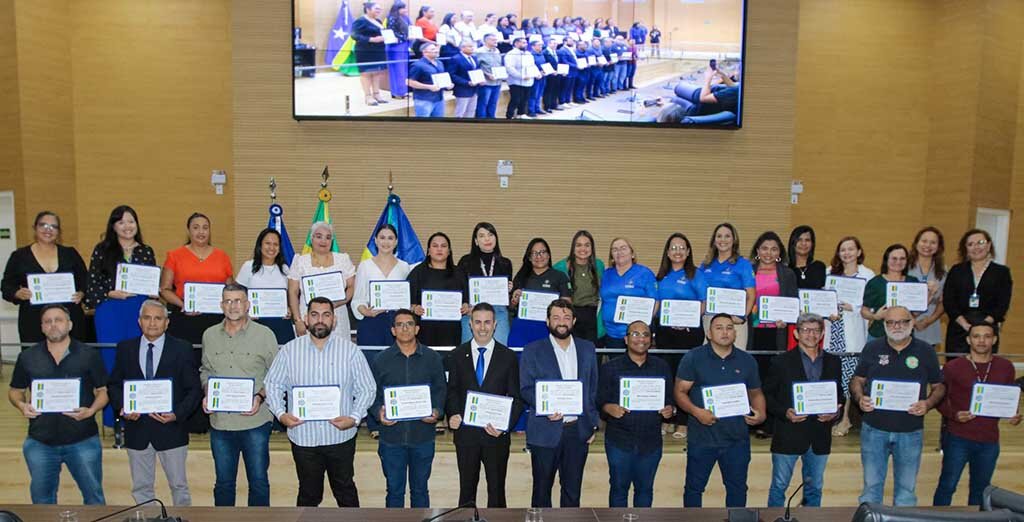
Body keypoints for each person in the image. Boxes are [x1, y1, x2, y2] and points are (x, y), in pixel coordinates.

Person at [265, 296, 376, 507]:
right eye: (314, 314)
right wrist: (281, 414)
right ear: (306, 319)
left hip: (340, 435)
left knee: (345, 492)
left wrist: (353, 418)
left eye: (326, 315)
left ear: (334, 320)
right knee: (308, 495)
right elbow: (272, 384)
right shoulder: (289, 350)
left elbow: (367, 388)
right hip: (303, 437)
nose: (320, 320)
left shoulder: (350, 351)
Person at [8, 304, 108, 504]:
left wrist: (92, 410)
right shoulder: (27, 357)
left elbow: (103, 391)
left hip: (83, 439)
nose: (53, 325)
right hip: (40, 442)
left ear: (70, 325)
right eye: (48, 321)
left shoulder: (89, 354)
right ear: (42, 327)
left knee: (94, 498)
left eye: (58, 320)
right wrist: (21, 405)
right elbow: (15, 391)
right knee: (42, 500)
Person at [108, 300, 202, 506]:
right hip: (137, 429)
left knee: (179, 486)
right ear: (139, 321)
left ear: (167, 323)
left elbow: (194, 390)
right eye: (147, 318)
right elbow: (114, 385)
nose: (152, 323)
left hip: (171, 430)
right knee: (142, 487)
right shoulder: (126, 348)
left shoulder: (182, 349)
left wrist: (177, 414)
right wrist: (124, 408)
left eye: (158, 318)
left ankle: (182, 520)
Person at [850, 306, 945, 506]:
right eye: (891, 322)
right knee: (871, 488)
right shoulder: (872, 348)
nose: (897, 326)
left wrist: (927, 403)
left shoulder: (926, 351)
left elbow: (939, 387)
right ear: (884, 325)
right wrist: (860, 398)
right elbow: (857, 380)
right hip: (874, 430)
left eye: (903, 321)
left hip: (910, 431)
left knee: (906, 492)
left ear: (912, 324)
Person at [674, 313, 766, 507]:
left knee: (738, 489)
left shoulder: (747, 360)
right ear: (709, 333)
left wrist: (761, 414)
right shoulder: (693, 358)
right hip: (702, 438)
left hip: (737, 439)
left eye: (729, 328)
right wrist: (697, 412)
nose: (725, 332)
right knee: (694, 489)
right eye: (719, 328)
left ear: (735, 333)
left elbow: (756, 393)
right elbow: (680, 392)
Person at [200, 284, 279, 506]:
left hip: (255, 422)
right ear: (221, 305)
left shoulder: (265, 335)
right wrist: (207, 392)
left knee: (259, 482)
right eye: (228, 301)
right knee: (224, 484)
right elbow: (205, 370)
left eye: (238, 301)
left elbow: (276, 376)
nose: (233, 306)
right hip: (221, 424)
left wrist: (260, 397)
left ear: (247, 305)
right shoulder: (209, 335)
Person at [520, 299, 599, 508]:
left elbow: (592, 388)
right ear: (547, 321)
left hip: (577, 431)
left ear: (573, 320)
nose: (561, 322)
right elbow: (526, 389)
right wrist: (545, 408)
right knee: (541, 493)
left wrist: (592, 424)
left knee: (572, 493)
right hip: (545, 430)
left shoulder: (588, 348)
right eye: (556, 317)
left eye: (566, 317)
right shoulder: (532, 350)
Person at [933, 322, 1020, 506]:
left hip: (989, 440)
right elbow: (938, 399)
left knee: (981, 490)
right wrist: (954, 414)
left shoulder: (1005, 367)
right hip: (958, 437)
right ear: (968, 339)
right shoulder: (953, 367)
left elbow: (1007, 397)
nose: (981, 341)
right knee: (947, 485)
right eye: (976, 336)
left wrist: (1012, 414)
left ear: (994, 339)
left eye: (987, 336)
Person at [445, 303, 523, 508]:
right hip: (466, 435)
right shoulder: (457, 355)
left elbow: (517, 397)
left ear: (495, 324)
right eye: (477, 322)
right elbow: (451, 390)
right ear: (470, 324)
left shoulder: (508, 357)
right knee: (467, 491)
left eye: (487, 322)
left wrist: (504, 426)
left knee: (497, 492)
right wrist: (452, 413)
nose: (482, 327)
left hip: (495, 436)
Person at [763, 313, 844, 507]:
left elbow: (839, 394)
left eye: (816, 330)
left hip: (820, 435)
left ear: (822, 333)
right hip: (788, 433)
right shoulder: (781, 361)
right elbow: (767, 395)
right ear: (797, 334)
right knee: (779, 485)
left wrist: (835, 412)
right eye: (806, 330)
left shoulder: (833, 361)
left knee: (815, 487)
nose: (811, 335)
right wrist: (785, 412)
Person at [372, 309, 447, 508]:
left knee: (420, 491)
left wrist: (437, 412)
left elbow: (441, 391)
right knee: (394, 491)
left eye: (409, 324)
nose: (404, 328)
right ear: (393, 330)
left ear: (417, 329)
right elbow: (372, 395)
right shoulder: (381, 360)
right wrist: (379, 411)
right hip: (391, 439)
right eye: (399, 324)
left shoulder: (432, 358)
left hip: (422, 437)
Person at [599, 321, 675, 507]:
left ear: (651, 339)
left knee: (645, 490)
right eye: (635, 334)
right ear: (626, 339)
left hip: (650, 441)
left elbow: (670, 400)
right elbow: (599, 400)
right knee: (618, 489)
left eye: (645, 334)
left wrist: (670, 409)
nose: (641, 339)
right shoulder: (610, 367)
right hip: (620, 440)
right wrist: (609, 408)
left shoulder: (662, 367)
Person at [2, 211, 88, 344]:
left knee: (73, 360)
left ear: (58, 231)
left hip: (69, 318)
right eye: (43, 225)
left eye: (53, 226)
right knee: (36, 362)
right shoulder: (19, 256)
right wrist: (17, 293)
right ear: (35, 228)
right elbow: (6, 285)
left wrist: (82, 293)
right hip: (33, 321)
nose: (48, 230)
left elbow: (86, 281)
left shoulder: (70, 254)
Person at [654, 233, 707, 439]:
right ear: (667, 252)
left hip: (689, 332)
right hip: (666, 331)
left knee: (685, 377)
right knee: (667, 373)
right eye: (673, 248)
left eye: (681, 247)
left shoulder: (696, 274)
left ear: (688, 252)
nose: (677, 251)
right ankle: (668, 418)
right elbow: (657, 306)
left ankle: (683, 421)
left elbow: (704, 303)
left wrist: (688, 319)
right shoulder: (661, 277)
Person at [748, 231, 799, 438]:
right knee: (753, 376)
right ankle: (752, 418)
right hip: (752, 331)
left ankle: (770, 422)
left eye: (774, 248)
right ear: (758, 251)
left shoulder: (787, 274)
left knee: (773, 378)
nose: (769, 252)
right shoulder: (748, 270)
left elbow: (793, 303)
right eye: (764, 248)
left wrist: (786, 318)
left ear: (780, 252)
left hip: (777, 332)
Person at [85, 205, 158, 344]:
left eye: (131, 221)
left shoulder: (146, 251)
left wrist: (154, 291)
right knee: (111, 351)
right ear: (113, 227)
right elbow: (92, 282)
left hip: (139, 309)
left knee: (137, 351)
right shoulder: (102, 250)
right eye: (121, 222)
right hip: (110, 308)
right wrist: (110, 293)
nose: (127, 226)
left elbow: (151, 281)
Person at [159, 212, 233, 345]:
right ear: (188, 231)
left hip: (217, 320)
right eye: (196, 227)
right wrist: (184, 305)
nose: (201, 232)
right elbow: (164, 289)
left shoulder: (222, 257)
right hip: (185, 318)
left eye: (205, 228)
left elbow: (230, 289)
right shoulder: (174, 256)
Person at [825, 236, 874, 436]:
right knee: (832, 376)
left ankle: (846, 419)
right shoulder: (830, 273)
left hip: (853, 332)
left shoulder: (867, 275)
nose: (846, 253)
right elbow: (822, 299)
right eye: (843, 249)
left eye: (851, 249)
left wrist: (852, 307)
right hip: (833, 330)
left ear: (859, 252)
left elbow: (870, 305)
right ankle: (831, 417)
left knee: (848, 379)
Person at [944, 228, 1013, 354]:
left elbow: (1003, 303)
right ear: (966, 249)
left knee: (984, 368)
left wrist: (983, 326)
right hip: (959, 328)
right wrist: (964, 324)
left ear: (988, 245)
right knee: (957, 368)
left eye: (980, 242)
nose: (976, 247)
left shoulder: (1001, 272)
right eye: (970, 244)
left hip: (987, 330)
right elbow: (949, 301)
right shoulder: (956, 270)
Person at [287, 221, 356, 340]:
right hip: (308, 319)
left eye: (328, 237)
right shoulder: (300, 261)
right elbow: (292, 292)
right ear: (311, 238)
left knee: (339, 354)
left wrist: (337, 303)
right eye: (319, 236)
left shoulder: (343, 259)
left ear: (332, 241)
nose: (323, 241)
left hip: (337, 315)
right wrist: (298, 320)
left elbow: (351, 287)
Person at [353, 224, 411, 347]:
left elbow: (408, 298)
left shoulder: (404, 267)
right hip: (372, 322)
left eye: (390, 238)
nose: (386, 242)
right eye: (382, 237)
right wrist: (366, 311)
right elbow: (357, 299)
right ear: (376, 240)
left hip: (398, 324)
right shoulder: (365, 266)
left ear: (396, 242)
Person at [700, 223, 756, 350]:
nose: (723, 240)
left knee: (737, 361)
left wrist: (742, 316)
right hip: (711, 319)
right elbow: (700, 294)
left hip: (735, 321)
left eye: (727, 236)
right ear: (714, 241)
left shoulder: (743, 264)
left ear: (734, 240)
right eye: (719, 236)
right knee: (709, 361)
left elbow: (751, 296)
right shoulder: (705, 265)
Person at [408, 232, 468, 347]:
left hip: (451, 330)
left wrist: (465, 305)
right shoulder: (418, 272)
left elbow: (467, 298)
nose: (439, 249)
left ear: (449, 251)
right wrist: (415, 308)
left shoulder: (459, 273)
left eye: (443, 246)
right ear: (429, 251)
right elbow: (406, 300)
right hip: (424, 330)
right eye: (435, 246)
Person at [456, 223, 512, 345]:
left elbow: (507, 298)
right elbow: (460, 287)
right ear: (476, 241)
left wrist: (509, 289)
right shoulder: (465, 261)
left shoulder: (505, 263)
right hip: (472, 311)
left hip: (498, 312)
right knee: (469, 354)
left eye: (490, 235)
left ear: (496, 238)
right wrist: (465, 304)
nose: (487, 239)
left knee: (499, 353)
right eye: (482, 236)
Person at [510, 238, 572, 348]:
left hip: (548, 327)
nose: (539, 256)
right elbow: (511, 307)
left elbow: (568, 303)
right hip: (523, 327)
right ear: (529, 257)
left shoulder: (559, 276)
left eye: (543, 252)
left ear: (549, 255)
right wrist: (515, 300)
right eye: (534, 253)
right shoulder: (521, 277)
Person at [235, 228, 294, 344]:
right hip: (255, 324)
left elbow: (292, 296)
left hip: (281, 324)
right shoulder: (248, 266)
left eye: (275, 244)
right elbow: (236, 296)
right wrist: (245, 312)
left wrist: (290, 309)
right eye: (267, 243)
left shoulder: (285, 269)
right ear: (260, 245)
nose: (271, 248)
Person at [600, 237, 657, 349]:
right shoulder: (606, 274)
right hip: (611, 333)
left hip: (636, 334)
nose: (619, 252)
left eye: (623, 248)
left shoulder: (644, 273)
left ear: (632, 253)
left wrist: (644, 325)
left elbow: (656, 302)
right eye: (615, 249)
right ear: (611, 256)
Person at [553, 230, 604, 343]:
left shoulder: (599, 265)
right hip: (571, 315)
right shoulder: (560, 267)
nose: (583, 249)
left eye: (587, 245)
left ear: (592, 248)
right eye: (579, 245)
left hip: (593, 316)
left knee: (593, 356)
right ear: (573, 247)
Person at [862, 244, 918, 343]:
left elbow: (917, 311)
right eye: (894, 258)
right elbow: (864, 311)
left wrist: (930, 294)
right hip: (878, 335)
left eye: (902, 259)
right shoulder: (875, 283)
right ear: (886, 260)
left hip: (905, 337)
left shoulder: (913, 281)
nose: (898, 262)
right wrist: (875, 316)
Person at [907, 226, 946, 348]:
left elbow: (944, 301)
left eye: (933, 242)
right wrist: (911, 320)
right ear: (916, 243)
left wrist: (929, 320)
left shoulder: (943, 271)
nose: (928, 245)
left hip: (930, 325)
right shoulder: (904, 266)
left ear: (938, 247)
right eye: (924, 241)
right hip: (905, 324)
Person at [351, 1, 389, 107]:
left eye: (380, 9)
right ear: (368, 9)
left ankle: (377, 94)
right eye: (376, 8)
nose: (379, 11)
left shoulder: (378, 21)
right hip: (364, 51)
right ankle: (368, 96)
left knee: (376, 72)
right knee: (366, 73)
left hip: (378, 51)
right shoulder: (360, 21)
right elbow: (354, 35)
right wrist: (371, 39)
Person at [407, 42, 451, 118]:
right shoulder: (417, 65)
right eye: (433, 49)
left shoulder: (440, 63)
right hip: (424, 100)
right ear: (425, 52)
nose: (437, 50)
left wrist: (447, 84)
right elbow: (410, 82)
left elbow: (441, 78)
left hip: (439, 99)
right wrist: (429, 87)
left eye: (436, 48)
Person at [448, 38, 483, 118]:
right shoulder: (456, 59)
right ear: (462, 48)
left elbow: (477, 70)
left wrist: (481, 79)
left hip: (474, 89)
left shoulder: (474, 58)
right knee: (460, 113)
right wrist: (466, 82)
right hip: (462, 90)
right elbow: (452, 75)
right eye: (469, 47)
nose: (472, 48)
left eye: (472, 46)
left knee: (471, 111)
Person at [504, 37, 536, 119]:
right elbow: (510, 68)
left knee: (525, 99)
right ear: (516, 44)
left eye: (526, 42)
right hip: (516, 81)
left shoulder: (528, 54)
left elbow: (532, 65)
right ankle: (509, 116)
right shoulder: (511, 54)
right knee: (516, 100)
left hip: (528, 80)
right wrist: (521, 76)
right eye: (523, 42)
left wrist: (537, 73)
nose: (525, 44)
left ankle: (521, 114)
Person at [473, 33, 503, 119]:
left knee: (493, 102)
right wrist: (486, 74)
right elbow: (476, 67)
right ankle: (481, 121)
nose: (495, 41)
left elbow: (499, 65)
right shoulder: (479, 51)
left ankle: (491, 119)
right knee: (483, 103)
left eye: (496, 39)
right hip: (486, 83)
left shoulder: (497, 51)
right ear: (486, 41)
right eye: (493, 40)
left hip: (497, 81)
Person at [385, 2, 410, 100]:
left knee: (403, 69)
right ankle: (397, 92)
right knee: (397, 70)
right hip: (396, 46)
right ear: (397, 9)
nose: (405, 10)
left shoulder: (404, 18)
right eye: (403, 8)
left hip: (403, 45)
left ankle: (403, 90)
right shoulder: (392, 18)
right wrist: (405, 37)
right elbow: (392, 33)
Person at [787, 225, 826, 290]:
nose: (803, 243)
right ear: (793, 243)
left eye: (807, 240)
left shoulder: (819, 267)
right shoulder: (786, 271)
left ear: (812, 244)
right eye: (799, 240)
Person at [556, 38, 580, 108]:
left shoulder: (571, 49)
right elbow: (564, 61)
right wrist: (576, 65)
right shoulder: (562, 50)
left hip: (573, 71)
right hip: (567, 71)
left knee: (570, 87)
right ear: (565, 42)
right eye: (570, 41)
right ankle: (562, 101)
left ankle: (568, 100)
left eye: (572, 41)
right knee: (564, 87)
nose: (572, 42)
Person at [527, 39, 548, 117]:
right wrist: (538, 73)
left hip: (543, 76)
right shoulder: (531, 55)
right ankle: (531, 110)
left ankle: (537, 108)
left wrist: (545, 70)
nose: (541, 46)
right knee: (534, 94)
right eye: (539, 45)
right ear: (533, 46)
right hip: (535, 77)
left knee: (540, 94)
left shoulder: (541, 54)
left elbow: (544, 64)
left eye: (541, 45)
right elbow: (531, 66)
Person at [542, 37, 562, 112]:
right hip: (549, 74)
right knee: (548, 90)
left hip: (557, 73)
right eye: (553, 43)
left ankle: (554, 105)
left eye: (556, 43)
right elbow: (545, 63)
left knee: (556, 90)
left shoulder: (556, 52)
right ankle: (547, 106)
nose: (555, 45)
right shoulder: (545, 52)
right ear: (549, 43)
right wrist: (552, 71)